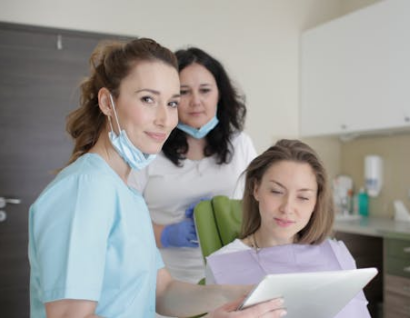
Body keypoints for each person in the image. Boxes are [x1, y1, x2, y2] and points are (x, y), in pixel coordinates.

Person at [28, 38, 285, 318]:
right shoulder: (84, 190)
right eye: (148, 99)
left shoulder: (128, 194)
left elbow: (162, 292)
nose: (165, 119)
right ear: (106, 102)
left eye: (172, 102)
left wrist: (241, 294)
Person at [129, 47, 257, 284]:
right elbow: (123, 221)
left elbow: (259, 207)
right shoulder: (148, 149)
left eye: (205, 90)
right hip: (162, 282)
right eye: (184, 92)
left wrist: (227, 214)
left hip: (229, 279)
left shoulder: (241, 145)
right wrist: (165, 234)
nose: (196, 101)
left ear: (220, 94)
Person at [204, 139, 370, 318]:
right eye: (276, 191)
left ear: (316, 202)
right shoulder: (224, 263)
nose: (287, 208)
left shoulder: (336, 254)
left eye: (303, 197)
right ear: (256, 189)